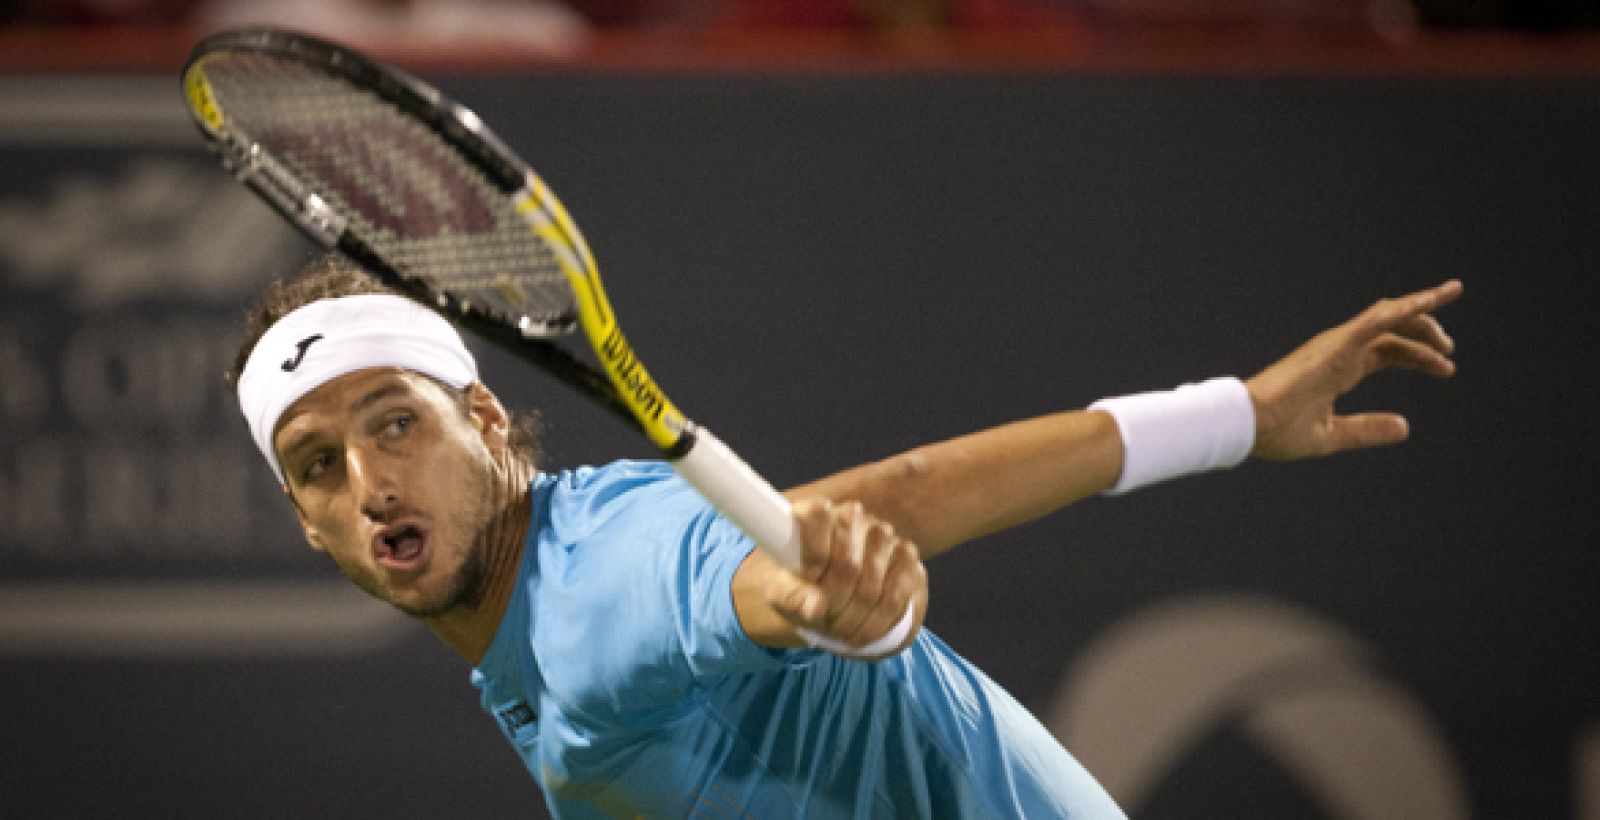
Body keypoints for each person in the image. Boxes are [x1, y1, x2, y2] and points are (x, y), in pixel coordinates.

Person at [229, 252, 1461, 818]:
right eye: (320, 466)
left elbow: (853, 519)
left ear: (486, 421)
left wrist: (1230, 417)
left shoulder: (603, 581)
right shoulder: (547, 604)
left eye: (397, 425)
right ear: (307, 521)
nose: (371, 480)